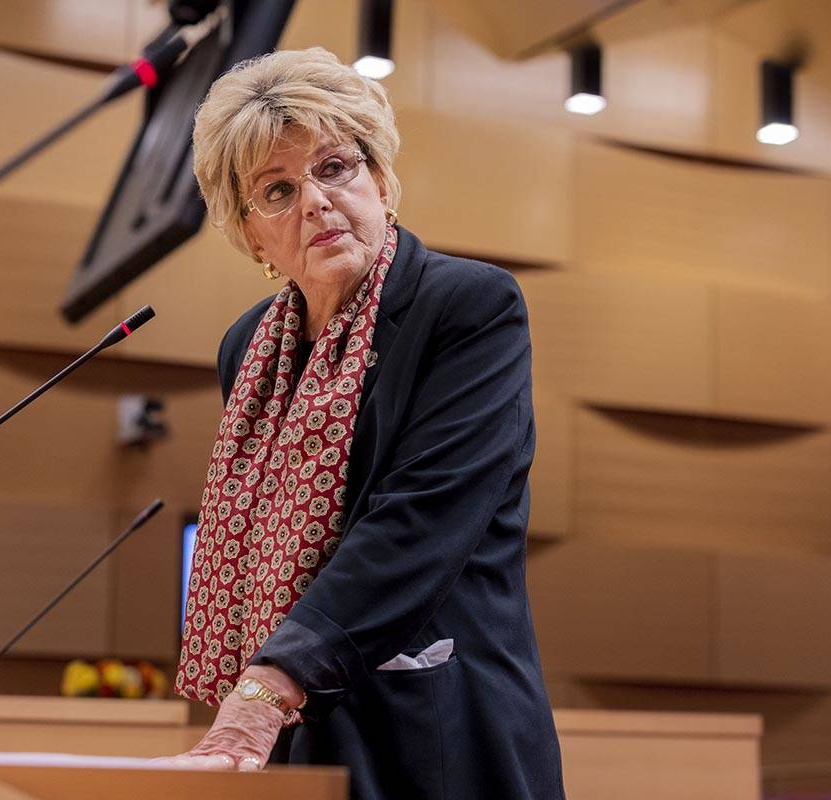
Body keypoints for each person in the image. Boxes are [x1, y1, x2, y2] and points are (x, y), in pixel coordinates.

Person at [166, 46, 564, 799]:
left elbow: (418, 521)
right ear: (251, 236)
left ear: (381, 182)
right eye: (277, 190)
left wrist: (269, 685)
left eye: (335, 168)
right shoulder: (248, 348)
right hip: (297, 724)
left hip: (437, 726)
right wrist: (270, 692)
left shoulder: (468, 307)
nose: (314, 201)